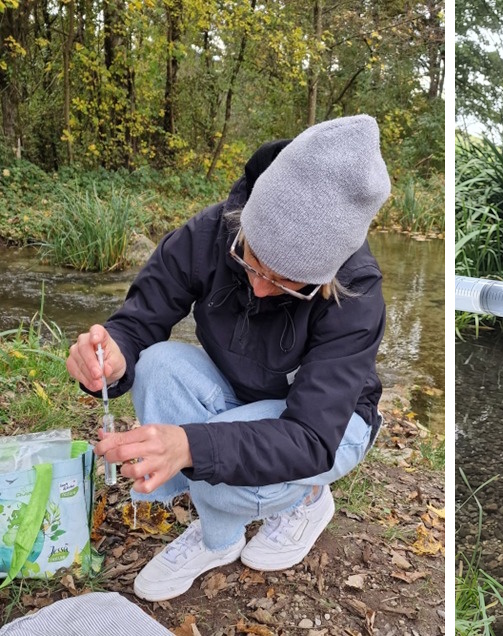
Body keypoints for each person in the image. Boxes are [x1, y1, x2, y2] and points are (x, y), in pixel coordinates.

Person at [63, 115, 390, 602]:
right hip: (245, 388)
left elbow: (310, 436)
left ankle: (307, 499)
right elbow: (138, 322)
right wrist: (111, 353)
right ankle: (222, 535)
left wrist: (191, 446)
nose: (259, 285)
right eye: (251, 258)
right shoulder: (214, 229)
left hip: (329, 426)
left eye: (283, 282)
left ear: (325, 276)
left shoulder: (356, 293)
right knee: (156, 367)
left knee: (215, 472)